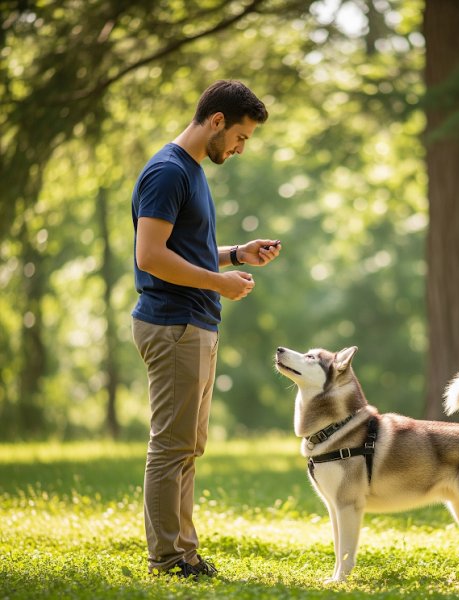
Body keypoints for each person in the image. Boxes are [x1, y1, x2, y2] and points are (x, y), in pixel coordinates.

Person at [131, 80, 280, 578]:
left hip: (194, 324)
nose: (239, 149)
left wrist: (236, 255)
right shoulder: (168, 172)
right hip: (173, 323)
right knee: (170, 446)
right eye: (240, 138)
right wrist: (218, 282)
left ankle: (185, 553)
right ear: (217, 121)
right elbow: (150, 256)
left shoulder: (191, 172)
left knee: (188, 447)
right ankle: (168, 559)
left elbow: (183, 250)